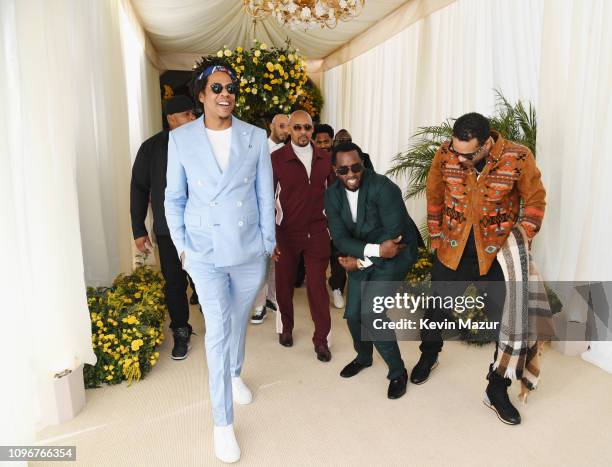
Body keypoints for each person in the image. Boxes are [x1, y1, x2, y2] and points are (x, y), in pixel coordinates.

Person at [164, 57, 275, 463]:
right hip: (204, 249)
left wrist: (267, 241)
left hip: (248, 248)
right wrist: (182, 246)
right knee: (217, 329)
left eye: (230, 88)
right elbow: (173, 198)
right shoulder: (182, 139)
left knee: (238, 318)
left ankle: (234, 372)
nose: (225, 94)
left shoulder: (255, 136)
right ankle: (222, 423)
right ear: (201, 94)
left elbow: (265, 193)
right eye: (217, 88)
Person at [412, 112, 546, 425]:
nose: (461, 158)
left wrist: (521, 239)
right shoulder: (446, 154)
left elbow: (536, 200)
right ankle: (429, 354)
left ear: (487, 143)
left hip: (497, 255)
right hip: (452, 249)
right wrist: (435, 235)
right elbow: (434, 194)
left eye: (469, 153)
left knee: (509, 321)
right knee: (436, 307)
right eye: (457, 151)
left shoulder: (518, 157)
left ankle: (497, 388)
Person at [325, 142, 419, 399]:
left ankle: (398, 371)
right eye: (344, 170)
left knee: (372, 314)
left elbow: (394, 240)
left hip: (395, 258)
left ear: (362, 163)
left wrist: (362, 260)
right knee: (354, 315)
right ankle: (364, 357)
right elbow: (341, 240)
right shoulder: (331, 195)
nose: (351, 174)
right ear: (335, 171)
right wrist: (368, 255)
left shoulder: (384, 188)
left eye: (356, 167)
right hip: (368, 254)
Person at [130, 95, 198, 360]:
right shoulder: (152, 148)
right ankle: (181, 328)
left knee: (207, 277)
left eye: (194, 114)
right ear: (171, 118)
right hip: (168, 230)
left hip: (202, 227)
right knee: (174, 282)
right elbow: (138, 187)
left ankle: (216, 321)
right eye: (187, 115)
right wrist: (138, 229)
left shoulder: (204, 143)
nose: (193, 119)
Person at [272, 110, 333, 361]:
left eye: (307, 128)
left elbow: (335, 196)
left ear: (312, 129)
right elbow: (266, 198)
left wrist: (334, 230)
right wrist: (271, 237)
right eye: (296, 128)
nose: (302, 133)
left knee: (317, 286)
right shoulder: (276, 159)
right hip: (285, 232)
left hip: (318, 231)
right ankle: (285, 327)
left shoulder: (325, 159)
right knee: (284, 284)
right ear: (289, 131)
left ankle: (321, 340)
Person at [250, 114, 288, 324]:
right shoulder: (259, 147)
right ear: (271, 126)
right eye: (281, 126)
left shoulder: (289, 152)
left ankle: (272, 297)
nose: (285, 131)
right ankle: (258, 305)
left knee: (278, 259)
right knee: (261, 260)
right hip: (259, 213)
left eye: (288, 127)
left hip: (281, 214)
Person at [313, 123, 346, 309]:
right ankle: (317, 291)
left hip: (337, 216)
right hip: (315, 218)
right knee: (318, 257)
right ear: (313, 142)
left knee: (339, 252)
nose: (324, 145)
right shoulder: (308, 160)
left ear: (332, 141)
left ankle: (337, 288)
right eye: (319, 142)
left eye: (327, 141)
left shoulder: (340, 160)